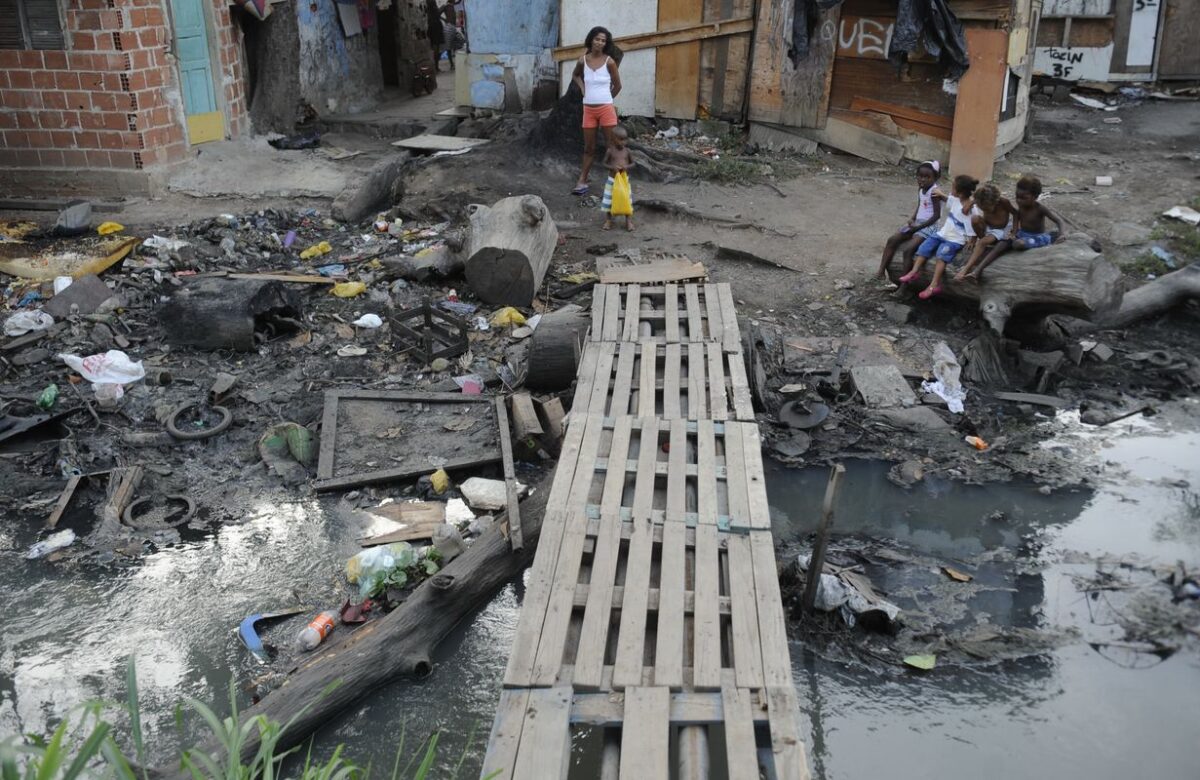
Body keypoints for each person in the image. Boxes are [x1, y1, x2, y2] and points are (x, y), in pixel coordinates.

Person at [961, 175, 1067, 280]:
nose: (1019, 201)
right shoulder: (1022, 205)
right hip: (1021, 233)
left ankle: (1050, 237)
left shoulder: (1040, 209)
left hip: (1036, 236)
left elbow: (1059, 220)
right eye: (1017, 197)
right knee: (1002, 243)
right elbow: (982, 198)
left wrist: (1062, 234)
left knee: (1018, 244)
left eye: (1023, 198)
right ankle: (977, 272)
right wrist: (1014, 233)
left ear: (1035, 196)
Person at [898, 174, 979, 300]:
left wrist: (972, 240)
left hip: (955, 240)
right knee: (924, 247)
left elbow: (973, 226)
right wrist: (941, 194)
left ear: (961, 192)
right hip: (942, 233)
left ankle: (934, 285)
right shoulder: (956, 199)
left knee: (941, 256)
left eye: (953, 187)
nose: (951, 189)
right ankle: (914, 272)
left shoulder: (970, 210)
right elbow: (949, 200)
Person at [570, 27, 621, 196]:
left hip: (606, 109)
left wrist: (607, 99)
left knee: (611, 147)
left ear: (606, 44)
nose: (599, 42)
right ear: (591, 40)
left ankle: (614, 183)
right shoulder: (582, 61)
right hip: (588, 111)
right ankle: (582, 180)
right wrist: (584, 90)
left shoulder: (610, 62)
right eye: (597, 39)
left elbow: (618, 85)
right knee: (589, 148)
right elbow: (576, 75)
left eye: (603, 40)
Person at [876, 161, 945, 279]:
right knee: (892, 239)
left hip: (929, 226)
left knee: (908, 250)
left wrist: (918, 227)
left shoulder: (934, 193)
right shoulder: (921, 189)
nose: (922, 180)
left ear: (935, 178)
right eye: (920, 176)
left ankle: (905, 286)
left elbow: (936, 216)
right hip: (917, 223)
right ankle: (881, 272)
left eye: (927, 177)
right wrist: (913, 218)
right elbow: (920, 205)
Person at [954, 182, 1016, 282]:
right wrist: (973, 238)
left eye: (986, 209)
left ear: (995, 201)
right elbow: (967, 208)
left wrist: (1014, 231)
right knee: (975, 219)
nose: (985, 210)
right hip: (987, 227)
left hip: (1000, 230)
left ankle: (965, 269)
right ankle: (984, 243)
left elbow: (1016, 214)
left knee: (982, 242)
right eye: (983, 209)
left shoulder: (1004, 202)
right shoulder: (980, 199)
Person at [601, 126, 634, 231]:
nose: (623, 142)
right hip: (612, 180)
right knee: (609, 200)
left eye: (625, 139)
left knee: (626, 200)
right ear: (613, 139)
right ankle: (608, 220)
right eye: (620, 139)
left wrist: (626, 167)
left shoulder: (627, 151)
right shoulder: (610, 151)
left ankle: (628, 221)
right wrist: (612, 167)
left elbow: (633, 163)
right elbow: (603, 163)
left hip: (624, 181)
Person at [424, 0, 445, 70]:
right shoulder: (434, 10)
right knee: (436, 48)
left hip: (431, 28)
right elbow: (438, 14)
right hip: (436, 28)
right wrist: (443, 7)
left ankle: (434, 66)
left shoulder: (427, 10)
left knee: (433, 47)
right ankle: (436, 66)